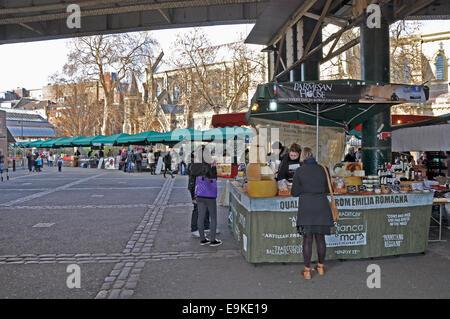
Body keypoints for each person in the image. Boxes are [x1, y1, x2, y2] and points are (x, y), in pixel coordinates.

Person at [291, 147, 334, 280]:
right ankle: (320, 267)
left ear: (303, 156)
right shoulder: (324, 169)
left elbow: (294, 193)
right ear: (313, 156)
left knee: (307, 239)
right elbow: (329, 189)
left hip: (307, 208)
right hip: (321, 206)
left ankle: (307, 270)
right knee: (321, 238)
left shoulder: (299, 170)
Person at [188, 147, 222, 247]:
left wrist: (192, 196)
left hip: (199, 194)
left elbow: (191, 181)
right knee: (213, 217)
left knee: (200, 216)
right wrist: (213, 167)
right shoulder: (210, 163)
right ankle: (212, 240)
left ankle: (203, 239)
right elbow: (213, 177)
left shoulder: (194, 165)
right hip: (210, 195)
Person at [187, 150, 211, 238]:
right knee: (197, 209)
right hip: (197, 191)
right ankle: (194, 229)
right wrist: (193, 196)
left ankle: (206, 226)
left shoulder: (205, 163)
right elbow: (192, 182)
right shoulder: (195, 165)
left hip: (205, 190)